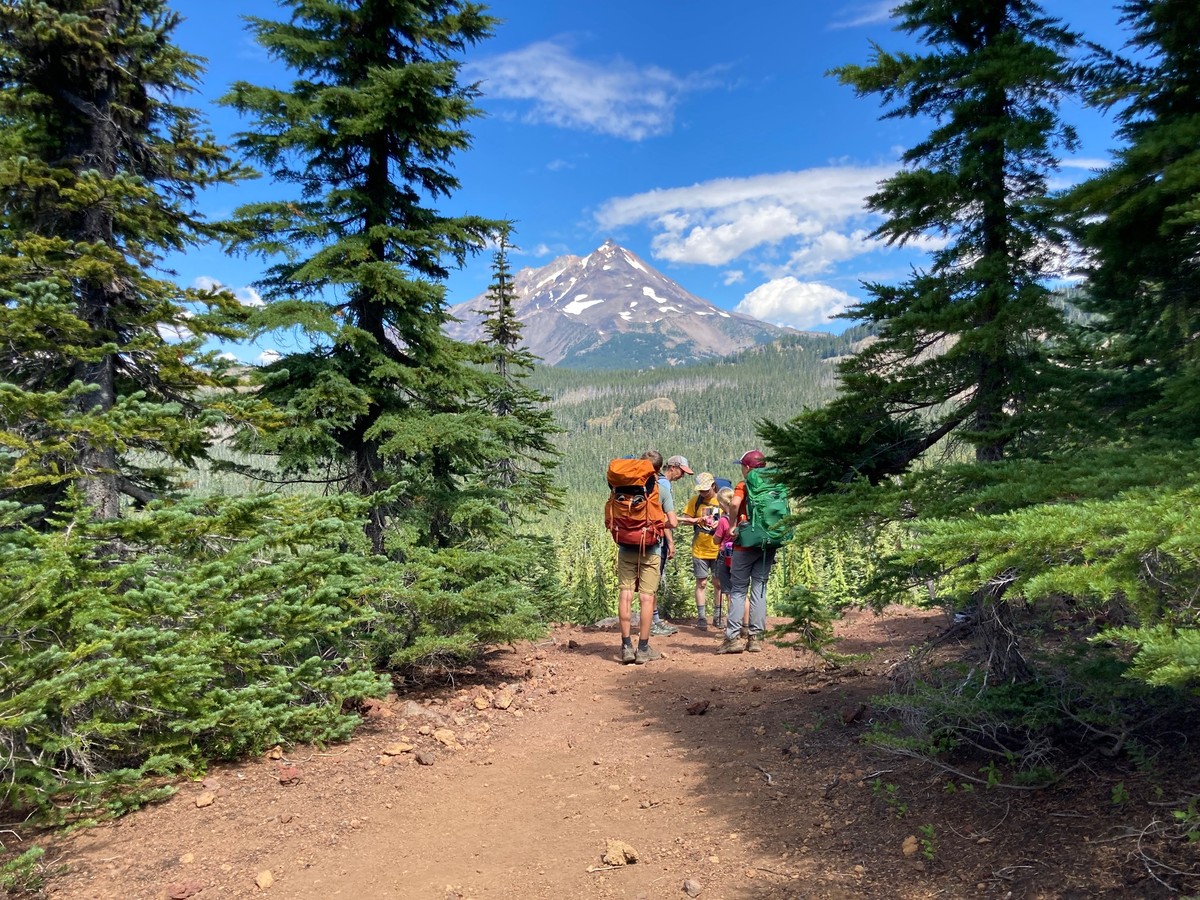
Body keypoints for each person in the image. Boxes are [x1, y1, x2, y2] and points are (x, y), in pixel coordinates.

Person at [717, 449, 776, 654]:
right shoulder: (774, 483)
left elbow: (734, 503)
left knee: (739, 590)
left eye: (742, 466)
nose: (742, 469)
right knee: (759, 588)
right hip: (767, 544)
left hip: (745, 544)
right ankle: (756, 638)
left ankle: (732, 639)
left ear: (748, 467)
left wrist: (732, 525)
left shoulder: (745, 484)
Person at [614, 452, 669, 665]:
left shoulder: (622, 487)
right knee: (646, 598)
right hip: (651, 549)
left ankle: (626, 646)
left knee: (625, 595)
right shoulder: (660, 489)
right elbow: (671, 521)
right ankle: (643, 649)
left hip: (626, 546)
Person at [647, 452, 692, 636]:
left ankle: (654, 619)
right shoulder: (663, 484)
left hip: (645, 536)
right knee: (652, 580)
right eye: (681, 472)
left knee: (651, 580)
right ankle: (653, 622)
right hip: (658, 538)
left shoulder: (657, 481)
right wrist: (671, 542)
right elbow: (664, 518)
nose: (682, 476)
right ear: (672, 468)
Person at [679, 472, 722, 629]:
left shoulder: (722, 500)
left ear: (713, 486)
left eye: (705, 490)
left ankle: (717, 617)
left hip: (718, 549)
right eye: (700, 490)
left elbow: (732, 519)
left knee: (718, 583)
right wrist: (696, 520)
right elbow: (684, 520)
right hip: (699, 549)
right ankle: (702, 618)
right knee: (701, 583)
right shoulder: (695, 502)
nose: (703, 493)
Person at [710, 486, 737, 629]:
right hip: (740, 556)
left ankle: (732, 624)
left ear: (721, 503)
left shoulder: (723, 521)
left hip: (725, 557)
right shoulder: (741, 517)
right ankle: (743, 624)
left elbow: (716, 540)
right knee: (740, 591)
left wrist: (715, 532)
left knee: (728, 592)